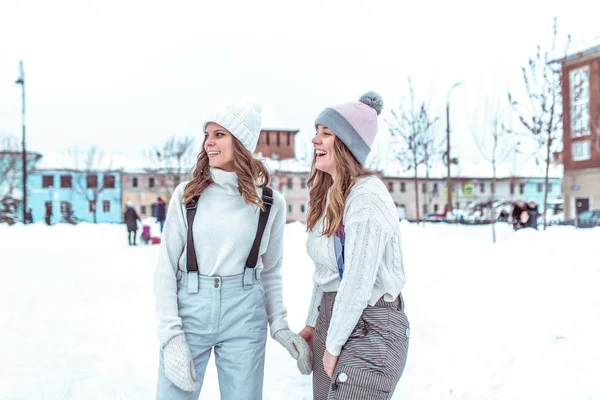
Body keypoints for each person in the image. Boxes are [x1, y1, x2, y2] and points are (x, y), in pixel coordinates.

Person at [154, 102, 311, 400]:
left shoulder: (270, 203)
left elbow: (271, 271)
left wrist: (279, 325)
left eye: (219, 134)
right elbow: (165, 269)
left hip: (244, 314)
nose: (208, 142)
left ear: (240, 143)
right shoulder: (188, 196)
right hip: (191, 310)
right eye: (206, 134)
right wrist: (171, 335)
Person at [298, 92, 409, 399]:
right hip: (334, 318)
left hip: (371, 325)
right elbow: (326, 272)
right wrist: (312, 323)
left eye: (326, 133)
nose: (315, 140)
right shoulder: (331, 196)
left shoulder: (367, 197)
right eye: (316, 132)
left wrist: (333, 346)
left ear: (346, 143)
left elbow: (358, 281)